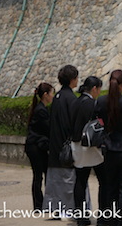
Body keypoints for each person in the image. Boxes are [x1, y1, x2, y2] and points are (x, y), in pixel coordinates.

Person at [97, 69, 122, 226]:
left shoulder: (101, 101)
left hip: (109, 148)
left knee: (111, 188)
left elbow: (98, 122)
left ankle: (111, 220)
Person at [43, 64, 79, 217]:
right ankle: (68, 210)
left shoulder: (57, 97)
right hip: (66, 146)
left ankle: (55, 209)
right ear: (72, 79)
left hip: (55, 144)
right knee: (68, 180)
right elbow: (71, 124)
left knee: (54, 181)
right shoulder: (71, 98)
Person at [71, 75, 107, 226]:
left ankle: (81, 216)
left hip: (77, 145)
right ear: (94, 89)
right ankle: (103, 216)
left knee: (80, 181)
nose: (99, 92)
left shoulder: (75, 102)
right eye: (99, 89)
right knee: (104, 182)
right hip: (91, 147)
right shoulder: (93, 104)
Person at [25, 82, 54, 210]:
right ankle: (40, 204)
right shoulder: (41, 110)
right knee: (39, 175)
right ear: (46, 95)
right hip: (35, 147)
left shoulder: (41, 108)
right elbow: (48, 129)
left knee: (40, 174)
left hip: (36, 146)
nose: (53, 96)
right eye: (52, 93)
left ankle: (42, 203)